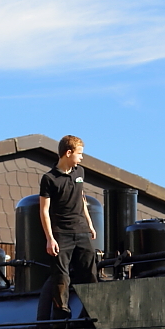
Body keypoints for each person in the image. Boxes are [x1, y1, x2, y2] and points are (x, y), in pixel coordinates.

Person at [38, 135, 97, 317]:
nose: (82, 157)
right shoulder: (49, 179)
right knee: (61, 276)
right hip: (61, 233)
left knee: (90, 272)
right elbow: (44, 210)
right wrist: (50, 238)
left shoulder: (80, 173)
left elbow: (81, 198)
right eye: (79, 154)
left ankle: (92, 311)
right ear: (68, 153)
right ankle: (61, 315)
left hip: (81, 230)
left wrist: (90, 224)